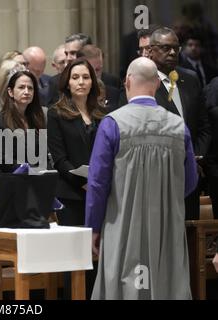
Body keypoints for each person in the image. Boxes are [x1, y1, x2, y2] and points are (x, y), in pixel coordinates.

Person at [85, 57, 198, 299]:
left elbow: (97, 183)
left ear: (126, 81)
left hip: (123, 223)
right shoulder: (179, 126)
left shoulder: (112, 124)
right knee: (167, 284)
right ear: (157, 84)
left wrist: (93, 228)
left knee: (124, 286)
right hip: (167, 226)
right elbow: (189, 181)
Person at [148, 27, 210, 220]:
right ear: (151, 51)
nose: (173, 52)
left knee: (191, 235)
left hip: (191, 175)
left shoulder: (190, 79)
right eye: (166, 48)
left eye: (176, 48)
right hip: (159, 175)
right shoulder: (143, 81)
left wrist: (195, 156)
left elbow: (203, 126)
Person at [48, 58, 105, 226]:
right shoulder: (56, 113)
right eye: (75, 77)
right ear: (67, 83)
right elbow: (59, 159)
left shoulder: (102, 113)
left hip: (100, 190)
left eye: (86, 77)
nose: (81, 82)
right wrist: (84, 183)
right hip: (71, 192)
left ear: (92, 82)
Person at [0, 69, 47, 172]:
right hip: (13, 179)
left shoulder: (39, 118)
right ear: (10, 92)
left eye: (30, 88)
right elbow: (4, 160)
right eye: (21, 87)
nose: (26, 92)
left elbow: (45, 154)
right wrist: (28, 170)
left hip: (39, 178)